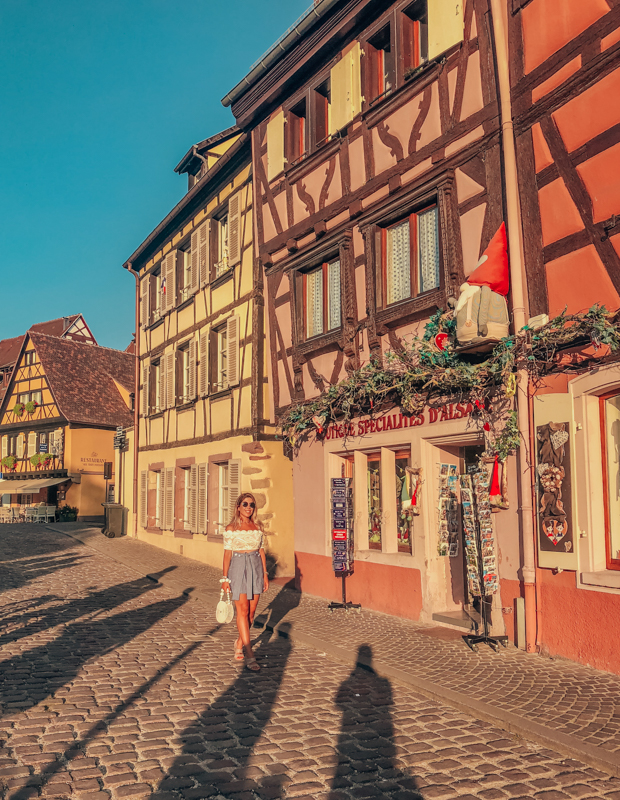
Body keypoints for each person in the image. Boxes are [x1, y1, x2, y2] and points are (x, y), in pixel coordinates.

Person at [221, 492, 269, 672]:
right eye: (245, 504)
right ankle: (249, 654)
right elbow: (227, 555)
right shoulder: (231, 528)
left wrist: (264, 574)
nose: (249, 508)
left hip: (256, 566)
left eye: (252, 505)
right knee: (242, 610)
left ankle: (239, 642)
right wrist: (225, 579)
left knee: (251, 613)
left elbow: (262, 551)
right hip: (238, 567)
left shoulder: (258, 526)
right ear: (238, 507)